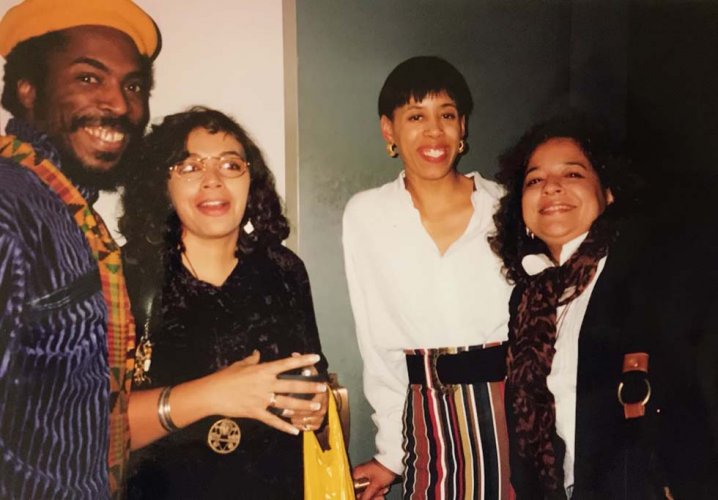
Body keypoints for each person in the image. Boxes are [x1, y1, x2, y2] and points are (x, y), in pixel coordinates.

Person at [119, 107, 328, 499]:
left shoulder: (284, 270)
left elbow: (312, 382)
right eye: (190, 167)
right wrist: (212, 394)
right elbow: (90, 428)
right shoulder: (127, 276)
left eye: (231, 165)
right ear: (161, 184)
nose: (213, 180)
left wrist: (314, 409)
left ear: (252, 181)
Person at [0, 1, 160, 497]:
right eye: (89, 78)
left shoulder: (68, 210)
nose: (121, 105)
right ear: (27, 90)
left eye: (133, 86)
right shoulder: (9, 207)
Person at [343, 56, 513, 499]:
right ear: (389, 130)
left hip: (514, 413)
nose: (434, 131)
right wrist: (390, 455)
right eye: (416, 117)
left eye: (447, 115)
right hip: (426, 420)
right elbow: (377, 346)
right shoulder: (367, 215)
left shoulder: (507, 206)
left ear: (463, 126)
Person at [488, 113, 668, 498]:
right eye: (534, 180)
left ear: (608, 193)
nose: (551, 187)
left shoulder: (650, 270)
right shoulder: (528, 297)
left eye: (572, 174)